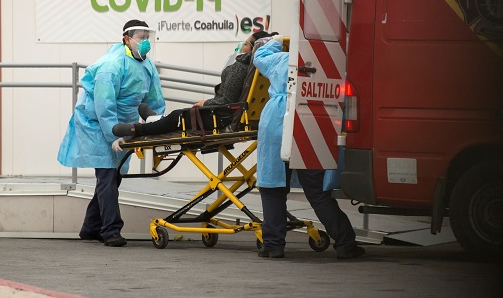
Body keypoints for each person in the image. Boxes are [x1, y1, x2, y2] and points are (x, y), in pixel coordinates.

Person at [253, 36, 365, 259]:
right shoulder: (327, 66)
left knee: (273, 189)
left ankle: (274, 245)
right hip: (311, 122)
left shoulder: (282, 59)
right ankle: (345, 244)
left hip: (277, 122)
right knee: (317, 191)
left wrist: (276, 40)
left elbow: (259, 56)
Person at [57, 20, 165, 247]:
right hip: (97, 125)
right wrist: (113, 135)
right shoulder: (112, 65)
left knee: (113, 177)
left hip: (124, 126)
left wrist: (156, 123)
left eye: (148, 37)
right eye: (140, 37)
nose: (145, 42)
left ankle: (90, 228)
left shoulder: (147, 65)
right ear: (126, 39)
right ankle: (111, 231)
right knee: (107, 175)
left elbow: (153, 99)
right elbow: (103, 106)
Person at [111, 31, 276, 139]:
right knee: (179, 117)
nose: (242, 46)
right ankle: (154, 118)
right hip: (239, 117)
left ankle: (139, 130)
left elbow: (227, 101)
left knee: (179, 116)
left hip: (222, 118)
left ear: (253, 48)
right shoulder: (262, 70)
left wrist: (206, 103)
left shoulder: (240, 67)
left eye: (246, 43)